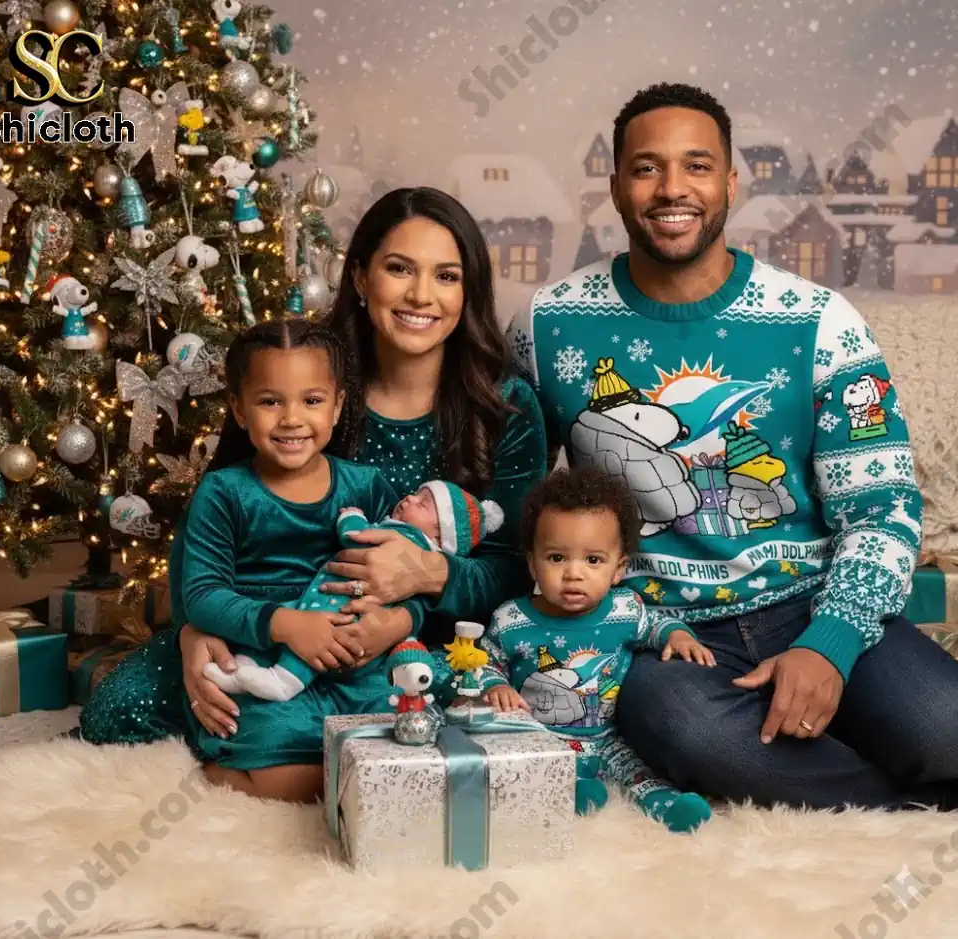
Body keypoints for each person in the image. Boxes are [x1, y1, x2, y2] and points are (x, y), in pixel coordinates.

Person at [506, 82, 958, 811]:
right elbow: (509, 495)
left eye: (696, 165)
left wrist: (830, 642)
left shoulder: (817, 320)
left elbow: (882, 508)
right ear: (616, 185)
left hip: (810, 599)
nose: (672, 188)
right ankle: (905, 814)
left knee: (946, 729)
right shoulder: (549, 322)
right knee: (687, 731)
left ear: (731, 183)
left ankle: (845, 774)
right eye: (647, 167)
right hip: (657, 629)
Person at [78, 187, 548, 752]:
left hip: (423, 639)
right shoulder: (299, 381)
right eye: (399, 269)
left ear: (469, 289)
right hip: (271, 623)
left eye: (447, 276)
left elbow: (517, 569)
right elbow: (209, 526)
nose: (421, 295)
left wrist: (424, 585)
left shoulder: (506, 406)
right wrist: (192, 633)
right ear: (359, 277)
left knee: (465, 723)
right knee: (118, 712)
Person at [176, 318, 426, 800]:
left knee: (407, 739)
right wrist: (285, 624)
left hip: (358, 661)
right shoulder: (225, 492)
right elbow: (203, 596)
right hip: (264, 661)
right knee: (293, 766)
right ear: (240, 410)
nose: (292, 418)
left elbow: (411, 580)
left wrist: (395, 622)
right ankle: (228, 777)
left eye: (311, 401)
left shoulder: (366, 486)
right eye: (270, 401)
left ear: (337, 407)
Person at [480, 466, 714, 832]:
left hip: (605, 737)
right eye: (557, 558)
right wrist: (495, 685)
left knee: (635, 771)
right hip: (538, 739)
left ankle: (667, 805)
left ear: (618, 568)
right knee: (532, 771)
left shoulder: (624, 610)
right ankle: (571, 791)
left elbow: (656, 626)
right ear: (532, 563)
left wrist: (677, 635)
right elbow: (483, 660)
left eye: (593, 560)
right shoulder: (511, 620)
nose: (574, 573)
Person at [205, 479, 504, 701]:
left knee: (320, 637)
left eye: (423, 504)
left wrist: (351, 517)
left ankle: (284, 681)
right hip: (339, 598)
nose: (409, 499)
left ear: (440, 532)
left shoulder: (405, 537)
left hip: (344, 604)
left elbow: (356, 538)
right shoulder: (409, 535)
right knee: (291, 620)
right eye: (414, 494)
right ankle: (246, 666)